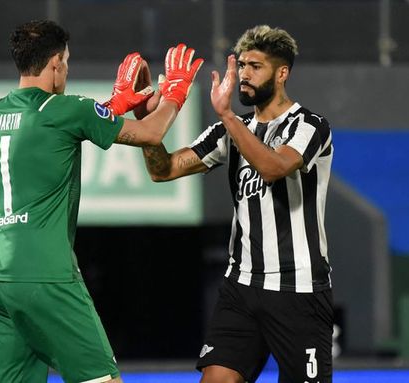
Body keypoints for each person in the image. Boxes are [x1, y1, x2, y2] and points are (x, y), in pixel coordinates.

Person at [0, 19, 203, 383]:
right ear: (55, 65)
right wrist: (176, 92)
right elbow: (151, 132)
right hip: (46, 276)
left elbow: (49, 132)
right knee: (102, 380)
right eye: (66, 61)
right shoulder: (68, 109)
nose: (66, 69)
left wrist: (115, 104)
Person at [139, 25, 334, 383]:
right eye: (241, 65)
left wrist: (227, 115)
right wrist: (144, 123)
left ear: (282, 72)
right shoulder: (228, 131)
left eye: (255, 66)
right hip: (241, 288)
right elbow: (162, 171)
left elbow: (273, 167)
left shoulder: (310, 125)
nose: (244, 74)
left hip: (299, 290)